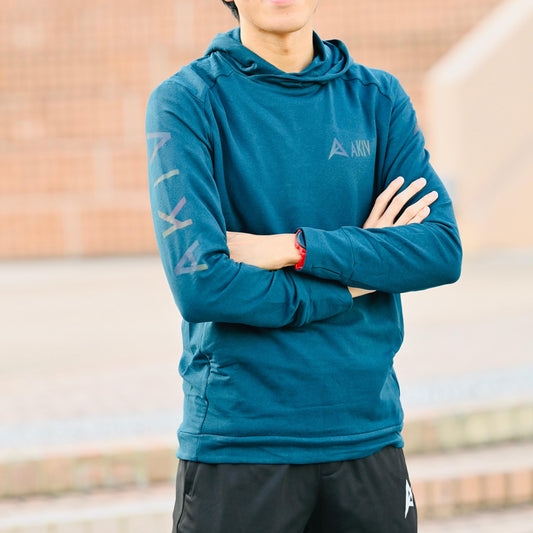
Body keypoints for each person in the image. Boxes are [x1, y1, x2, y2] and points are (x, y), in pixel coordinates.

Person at [145, 1, 462, 531]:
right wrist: (352, 281)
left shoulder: (377, 99)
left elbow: (439, 249)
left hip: (368, 434)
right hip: (242, 444)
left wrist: (296, 247)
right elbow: (202, 286)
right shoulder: (188, 102)